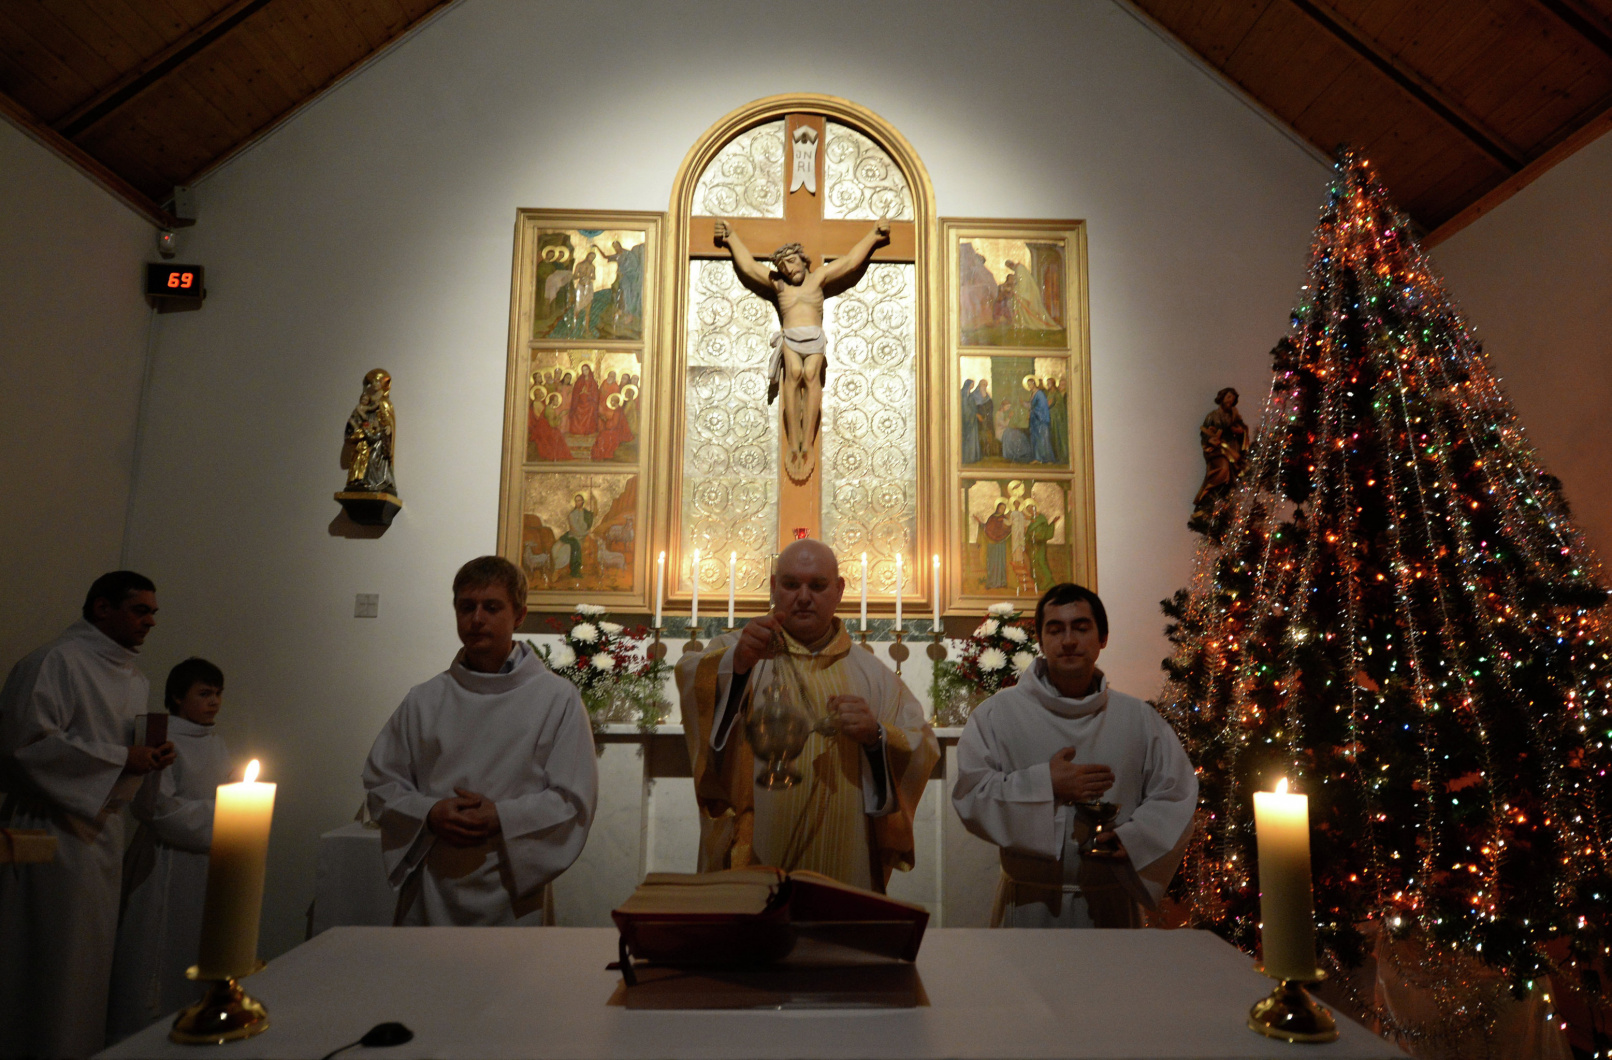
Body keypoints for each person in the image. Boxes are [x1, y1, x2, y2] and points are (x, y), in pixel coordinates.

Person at [676, 540, 937, 892]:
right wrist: (737, 666)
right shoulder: (740, 650)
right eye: (790, 584)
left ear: (840, 589)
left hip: (846, 853)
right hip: (755, 848)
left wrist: (876, 737)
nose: (803, 596)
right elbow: (693, 680)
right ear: (772, 587)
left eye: (817, 585)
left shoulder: (872, 675)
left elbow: (920, 745)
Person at [362, 557, 597, 926]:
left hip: (514, 890)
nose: (476, 619)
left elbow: (572, 800)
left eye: (492, 607)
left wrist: (502, 817)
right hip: (432, 885)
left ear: (519, 615)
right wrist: (431, 812)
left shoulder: (557, 699)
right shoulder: (424, 699)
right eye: (466, 607)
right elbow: (381, 784)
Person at [0, 571, 173, 1058]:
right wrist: (121, 759)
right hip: (49, 831)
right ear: (102, 608)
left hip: (102, 831)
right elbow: (22, 748)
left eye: (154, 611)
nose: (151, 621)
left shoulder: (135, 677)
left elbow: (118, 751)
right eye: (141, 609)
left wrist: (147, 756)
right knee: (46, 967)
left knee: (87, 970)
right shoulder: (54, 662)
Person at [953, 584, 1196, 928]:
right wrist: (1046, 785)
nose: (1068, 640)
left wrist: (1136, 839)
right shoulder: (997, 714)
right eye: (1056, 629)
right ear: (1040, 638)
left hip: (1109, 903)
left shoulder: (1138, 718)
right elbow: (970, 794)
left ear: (1103, 637)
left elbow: (1177, 791)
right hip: (1030, 904)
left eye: (1081, 628)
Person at [107, 657, 233, 1041]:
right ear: (178, 697)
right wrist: (226, 820)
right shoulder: (161, 737)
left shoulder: (218, 744)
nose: (214, 702)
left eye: (218, 694)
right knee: (158, 958)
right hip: (166, 862)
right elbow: (155, 807)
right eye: (204, 693)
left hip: (210, 863)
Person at [711, 218, 890, 483]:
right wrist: (731, 237)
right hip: (791, 338)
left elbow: (851, 261)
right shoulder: (779, 285)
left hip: (815, 338)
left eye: (792, 261)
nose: (788, 268)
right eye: (783, 266)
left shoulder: (818, 278)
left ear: (804, 260)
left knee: (810, 375)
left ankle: (808, 443)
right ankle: (793, 443)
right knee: (793, 374)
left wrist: (874, 236)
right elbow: (749, 266)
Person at [976, 502, 1011, 590]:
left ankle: (1002, 582)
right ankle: (992, 582)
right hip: (992, 544)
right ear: (997, 508)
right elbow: (987, 527)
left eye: (1004, 508)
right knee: (992, 563)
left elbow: (1008, 528)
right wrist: (981, 523)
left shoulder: (1005, 518)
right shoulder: (991, 518)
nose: (1002, 510)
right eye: (1001, 508)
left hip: (1001, 543)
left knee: (1001, 563)